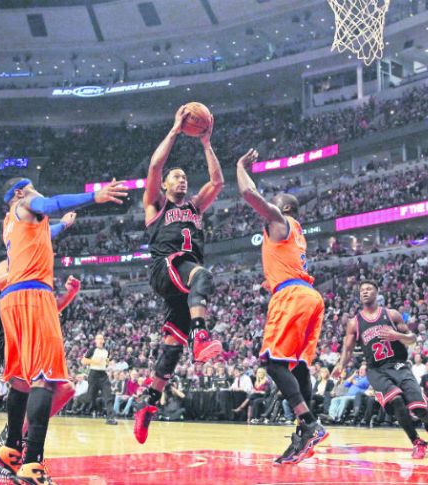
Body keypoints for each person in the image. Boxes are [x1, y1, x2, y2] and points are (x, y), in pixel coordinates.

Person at [0, 176, 127, 484]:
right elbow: (51, 203)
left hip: (11, 301)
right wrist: (95, 196)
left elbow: (44, 232)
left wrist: (63, 226)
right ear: (21, 192)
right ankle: (32, 465)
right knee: (45, 379)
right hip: (33, 295)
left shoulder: (11, 225)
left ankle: (9, 452)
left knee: (22, 381)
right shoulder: (26, 203)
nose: (40, 191)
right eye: (35, 187)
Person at [134, 105, 225, 444]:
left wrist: (206, 142)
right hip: (166, 267)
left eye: (185, 176)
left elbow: (217, 181)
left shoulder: (195, 206)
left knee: (172, 348)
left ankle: (148, 405)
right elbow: (156, 166)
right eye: (177, 177)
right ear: (166, 185)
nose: (182, 179)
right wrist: (175, 129)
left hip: (182, 282)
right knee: (202, 275)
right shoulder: (156, 205)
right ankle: (201, 336)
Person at [235, 148, 328, 465]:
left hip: (292, 297)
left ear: (285, 207)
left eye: (274, 201)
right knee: (298, 367)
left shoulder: (281, 220)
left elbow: (248, 192)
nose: (269, 205)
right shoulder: (295, 234)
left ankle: (310, 424)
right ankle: (302, 436)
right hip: (309, 297)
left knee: (273, 363)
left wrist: (240, 167)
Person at [333, 281, 428, 459]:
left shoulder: (391, 314)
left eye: (368, 289)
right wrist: (340, 365)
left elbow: (412, 338)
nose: (365, 292)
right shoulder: (354, 323)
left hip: (398, 365)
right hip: (376, 370)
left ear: (377, 292)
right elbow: (347, 350)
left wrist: (398, 336)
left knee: (419, 409)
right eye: (362, 290)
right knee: (396, 401)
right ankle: (417, 442)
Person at [81, 334, 118, 425]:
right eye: (99, 339)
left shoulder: (107, 351)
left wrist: (109, 363)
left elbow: (106, 362)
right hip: (93, 374)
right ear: (96, 341)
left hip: (103, 375)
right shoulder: (92, 350)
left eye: (102, 339)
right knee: (90, 397)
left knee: (108, 396)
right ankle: (84, 404)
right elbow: (83, 361)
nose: (101, 340)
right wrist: (94, 362)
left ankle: (110, 418)